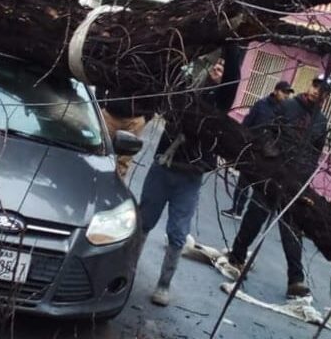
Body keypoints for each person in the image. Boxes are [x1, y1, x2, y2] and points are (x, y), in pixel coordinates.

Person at [140, 44, 241, 307]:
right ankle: (125, 269)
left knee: (177, 233)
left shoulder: (220, 103)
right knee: (143, 222)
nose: (218, 70)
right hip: (163, 167)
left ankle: (163, 284)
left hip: (189, 176)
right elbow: (173, 70)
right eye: (215, 65)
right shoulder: (187, 89)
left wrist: (231, 44)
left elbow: (233, 78)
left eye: (223, 67)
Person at [227, 74, 331, 299]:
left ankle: (295, 279)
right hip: (273, 174)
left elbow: (314, 155)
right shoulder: (287, 107)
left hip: (294, 183)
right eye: (315, 85)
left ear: (326, 96)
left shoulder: (321, 122)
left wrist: (303, 179)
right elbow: (266, 132)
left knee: (292, 229)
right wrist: (270, 157)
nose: (316, 91)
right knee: (254, 216)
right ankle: (237, 257)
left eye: (322, 89)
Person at [221, 80, 295, 219]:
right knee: (244, 181)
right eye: (284, 92)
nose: (286, 96)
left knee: (263, 186)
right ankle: (237, 209)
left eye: (288, 93)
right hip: (253, 148)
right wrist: (243, 141)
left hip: (270, 154)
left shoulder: (285, 111)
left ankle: (259, 214)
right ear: (276, 91)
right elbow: (248, 123)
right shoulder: (261, 105)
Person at [96, 88, 150, 179]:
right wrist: (100, 105)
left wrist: (146, 117)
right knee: (99, 150)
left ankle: (114, 186)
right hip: (110, 114)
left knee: (123, 163)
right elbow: (101, 81)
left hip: (135, 120)